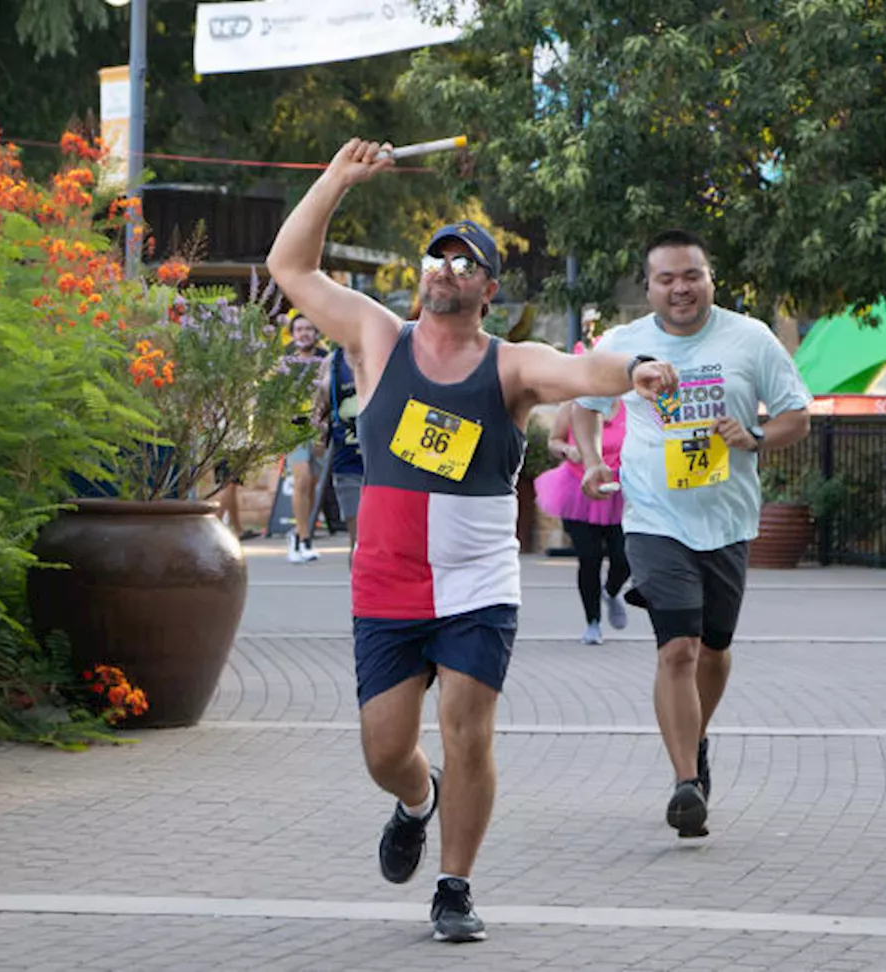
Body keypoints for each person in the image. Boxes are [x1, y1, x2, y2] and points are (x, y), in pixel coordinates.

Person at [266, 138, 679, 944]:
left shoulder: (510, 365)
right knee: (386, 749)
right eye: (437, 257)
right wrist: (335, 179)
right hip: (386, 580)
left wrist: (638, 372)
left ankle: (454, 887)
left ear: (488, 288)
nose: (446, 270)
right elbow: (290, 268)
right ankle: (418, 801)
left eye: (464, 263)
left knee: (467, 726)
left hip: (477, 580)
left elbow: (583, 371)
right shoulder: (377, 338)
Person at [572, 228, 811, 840]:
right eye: (666, 278)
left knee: (714, 648)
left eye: (691, 275)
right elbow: (584, 400)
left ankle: (696, 735)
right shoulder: (626, 344)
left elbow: (797, 415)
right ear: (648, 286)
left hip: (727, 519)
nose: (681, 288)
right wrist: (595, 459)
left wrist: (755, 439)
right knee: (677, 647)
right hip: (653, 517)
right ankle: (686, 782)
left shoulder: (749, 338)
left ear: (709, 278)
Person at [534, 394, 630, 644]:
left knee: (624, 557)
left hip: (619, 492)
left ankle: (611, 592)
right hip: (578, 489)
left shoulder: (629, 405)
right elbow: (553, 441)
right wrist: (568, 450)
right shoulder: (573, 404)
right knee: (590, 558)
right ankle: (593, 623)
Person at [282, 310, 330, 563]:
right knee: (300, 479)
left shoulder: (326, 359)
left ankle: (302, 531)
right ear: (293, 334)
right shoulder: (285, 360)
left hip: (320, 428)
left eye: (309, 329)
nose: (304, 333)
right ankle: (303, 539)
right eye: (300, 329)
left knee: (312, 483)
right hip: (295, 427)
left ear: (316, 333)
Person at [314, 344, 364, 564]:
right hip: (348, 460)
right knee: (358, 539)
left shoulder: (387, 349)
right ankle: (360, 595)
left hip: (385, 463)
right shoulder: (332, 362)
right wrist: (319, 433)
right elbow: (319, 409)